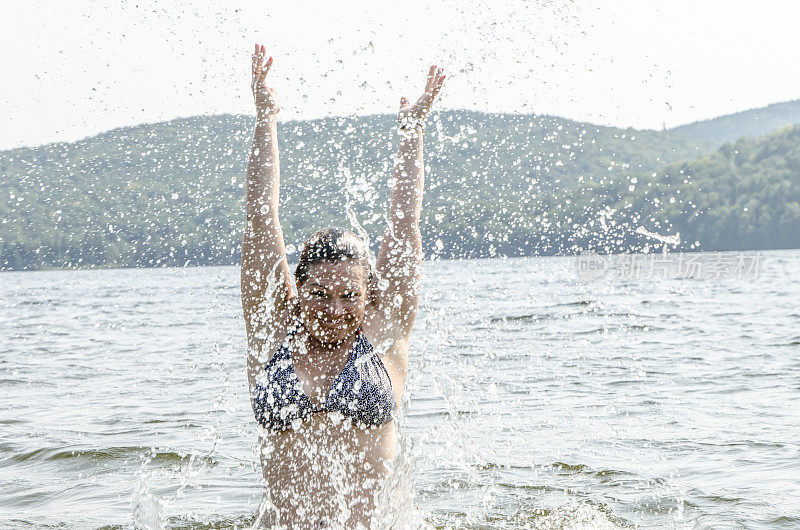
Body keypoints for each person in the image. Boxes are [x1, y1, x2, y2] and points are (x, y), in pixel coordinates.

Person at [240, 43, 445, 528]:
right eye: (319, 294)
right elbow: (260, 217)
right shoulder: (274, 330)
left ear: (369, 294)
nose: (334, 307)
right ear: (297, 289)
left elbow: (405, 224)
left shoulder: (384, 331)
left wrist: (412, 132)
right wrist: (265, 115)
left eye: (349, 295)